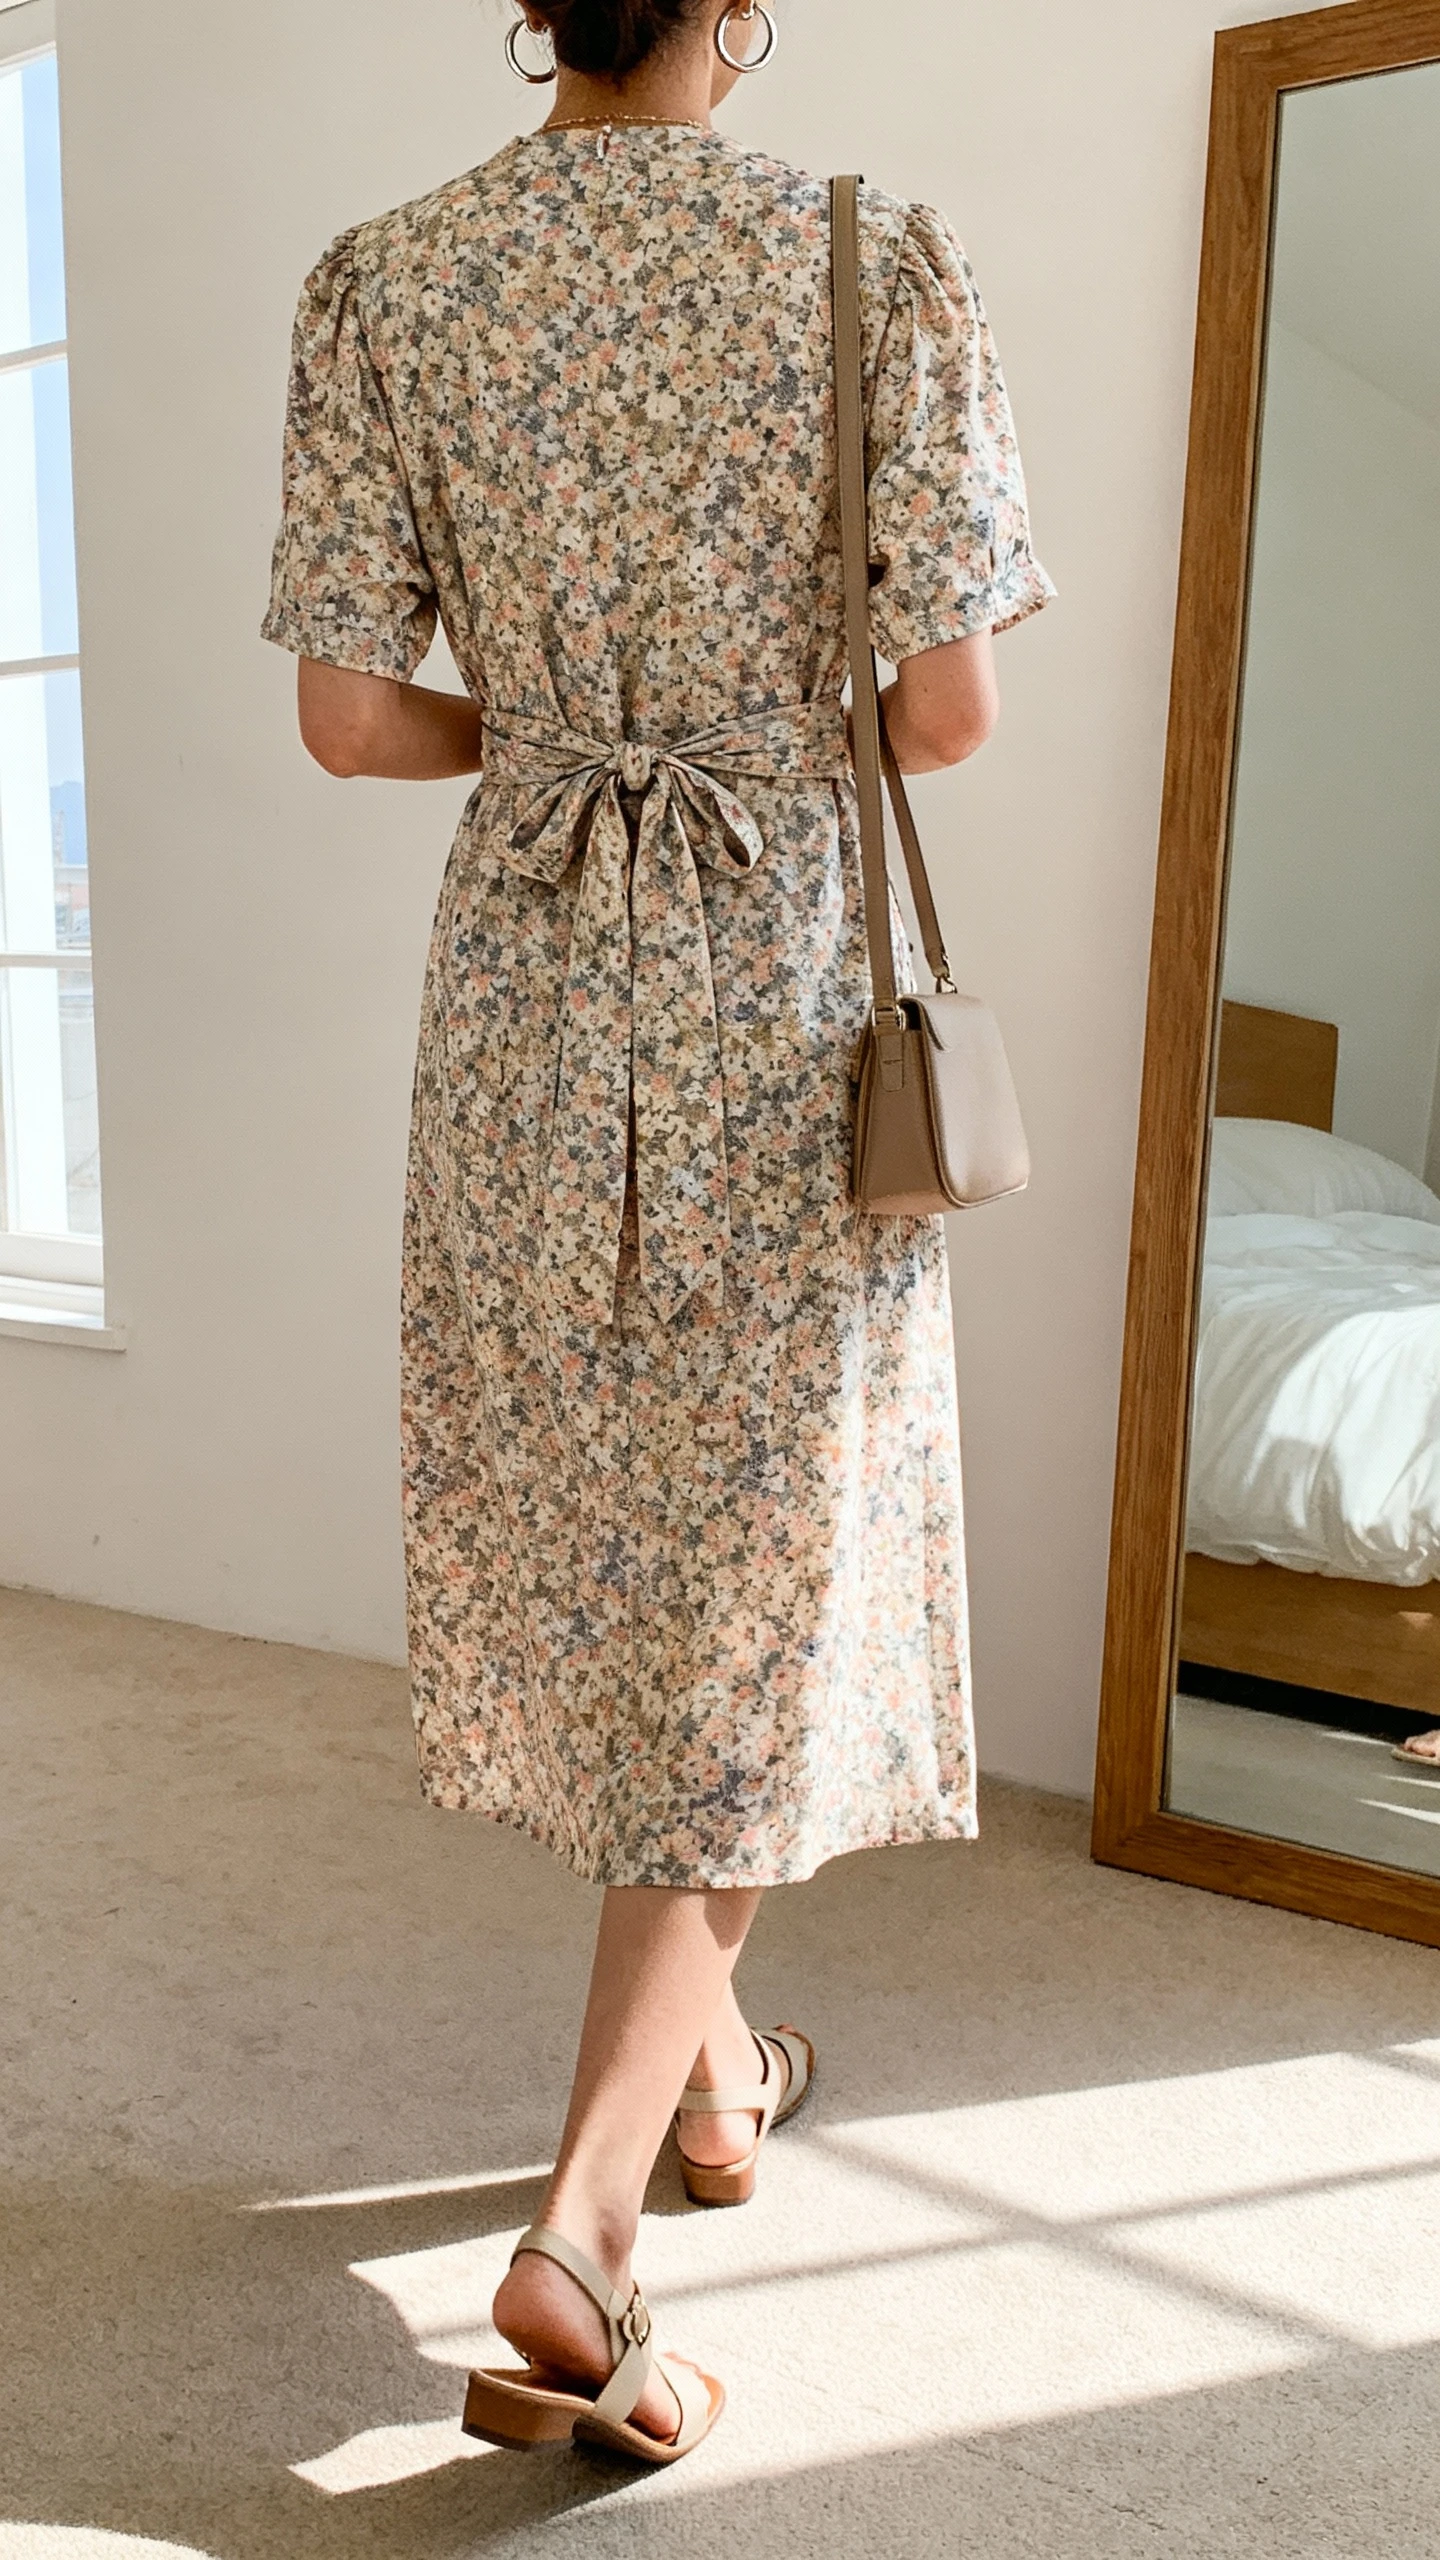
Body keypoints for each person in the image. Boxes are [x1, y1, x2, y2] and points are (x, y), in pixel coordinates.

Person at [262, 0, 1052, 2463]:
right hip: (771, 995)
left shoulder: (385, 277)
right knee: (758, 1566)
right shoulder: (866, 253)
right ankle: (586, 2222)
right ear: (737, 12)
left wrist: (558, 732)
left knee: (628, 1548)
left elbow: (350, 719)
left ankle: (716, 2092)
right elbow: (941, 721)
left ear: (534, 19)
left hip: (520, 985)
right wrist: (727, 711)